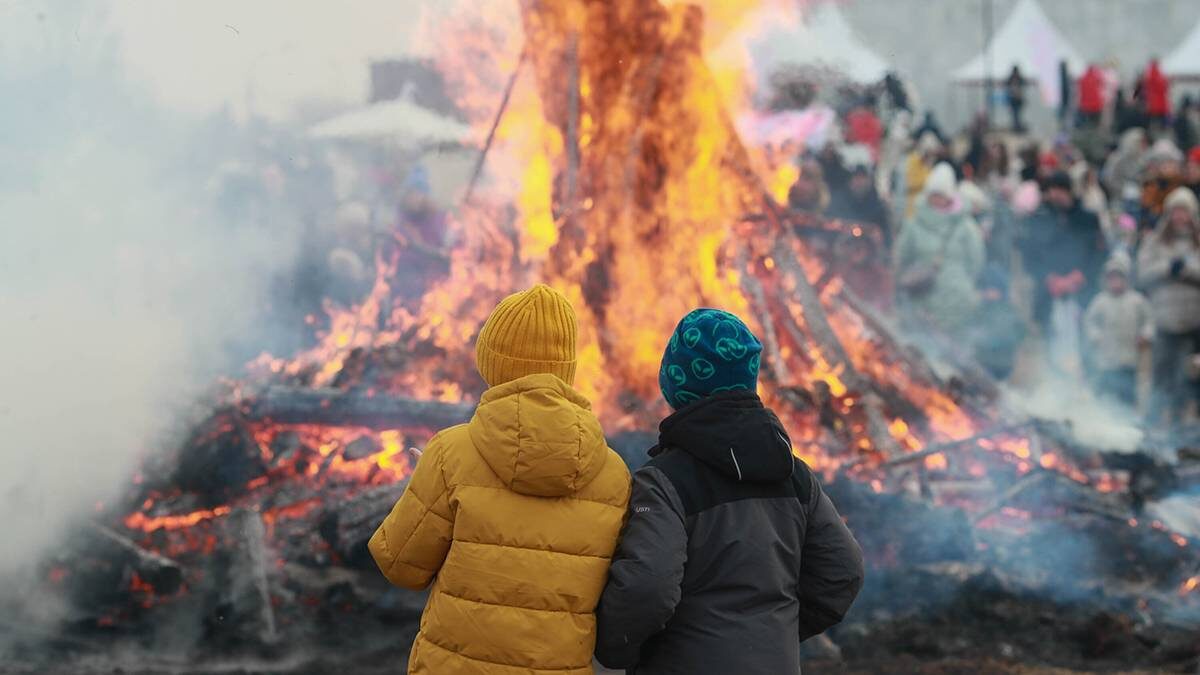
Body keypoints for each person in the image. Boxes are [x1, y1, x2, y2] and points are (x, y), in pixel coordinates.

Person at [369, 284, 632, 674]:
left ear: (492, 363)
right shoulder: (614, 475)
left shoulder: (450, 454)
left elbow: (400, 566)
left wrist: (425, 486)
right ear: (567, 369)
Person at [594, 309, 864, 674]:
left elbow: (648, 589)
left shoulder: (663, 481)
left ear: (676, 384)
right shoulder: (794, 473)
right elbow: (843, 572)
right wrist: (774, 632)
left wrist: (615, 651)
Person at [1020, 171, 1108, 372]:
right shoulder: (1038, 218)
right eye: (1052, 190)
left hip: (1081, 292)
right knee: (1050, 345)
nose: (1055, 195)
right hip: (1049, 292)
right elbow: (1029, 255)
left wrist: (1080, 276)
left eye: (1059, 190)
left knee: (1084, 345)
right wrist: (1048, 278)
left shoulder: (1088, 219)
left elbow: (1099, 253)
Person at [894, 163, 986, 340]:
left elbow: (976, 261)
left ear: (949, 196)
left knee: (956, 354)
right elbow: (902, 257)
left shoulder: (966, 226)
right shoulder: (914, 224)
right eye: (933, 195)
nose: (936, 199)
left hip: (957, 301)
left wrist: (961, 281)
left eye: (940, 195)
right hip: (921, 299)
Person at [1137, 188, 1200, 426]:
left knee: (1187, 380)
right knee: (1161, 378)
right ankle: (1152, 429)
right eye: (1176, 211)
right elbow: (1142, 276)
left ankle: (1182, 429)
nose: (1179, 216)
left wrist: (1187, 271)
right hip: (1164, 322)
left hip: (1193, 323)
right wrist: (1167, 269)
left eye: (1184, 211)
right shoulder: (1155, 242)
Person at [1084, 253, 1153, 408]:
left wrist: (1145, 335)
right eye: (1111, 278)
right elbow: (1089, 322)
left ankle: (1127, 420)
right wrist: (1096, 336)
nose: (1115, 282)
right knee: (1105, 395)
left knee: (1127, 395)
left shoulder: (1136, 300)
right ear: (1106, 280)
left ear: (1126, 279)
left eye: (1118, 278)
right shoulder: (1100, 301)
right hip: (1106, 359)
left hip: (1129, 358)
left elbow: (1149, 320)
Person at [967, 264, 1027, 381]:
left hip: (1001, 364)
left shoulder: (1007, 311)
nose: (987, 292)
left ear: (1001, 289)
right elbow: (970, 327)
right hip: (982, 361)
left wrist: (984, 340)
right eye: (984, 288)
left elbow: (1013, 334)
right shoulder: (981, 309)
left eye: (990, 288)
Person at [827, 160, 892, 245]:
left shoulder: (878, 207)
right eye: (856, 177)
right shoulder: (838, 202)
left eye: (863, 177)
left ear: (869, 181)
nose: (859, 182)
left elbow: (886, 236)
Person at [903, 131, 942, 218]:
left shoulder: (929, 164)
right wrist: (928, 182)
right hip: (912, 208)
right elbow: (911, 183)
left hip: (926, 208)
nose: (931, 156)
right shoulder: (913, 160)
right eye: (929, 152)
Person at [1143, 59, 1172, 131]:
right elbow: (1163, 88)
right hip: (1159, 106)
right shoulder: (1157, 75)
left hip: (1153, 105)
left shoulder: (1150, 74)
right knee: (1160, 125)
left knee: (1154, 124)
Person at [1077, 64, 1106, 128]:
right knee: (1095, 124)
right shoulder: (1097, 78)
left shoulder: (1082, 79)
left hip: (1085, 106)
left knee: (1086, 124)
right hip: (1096, 106)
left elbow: (1080, 92)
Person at [1006, 65, 1028, 133]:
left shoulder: (1019, 79)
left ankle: (1017, 127)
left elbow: (1024, 86)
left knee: (1017, 114)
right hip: (1013, 100)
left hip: (1018, 100)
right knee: (1014, 114)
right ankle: (1015, 127)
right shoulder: (1011, 79)